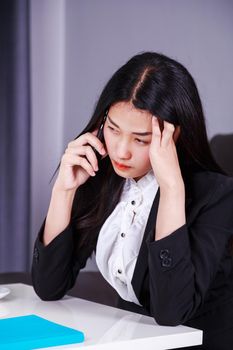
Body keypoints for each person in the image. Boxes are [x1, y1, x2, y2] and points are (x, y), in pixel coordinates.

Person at [32, 52, 233, 349]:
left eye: (140, 139)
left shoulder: (216, 194)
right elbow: (49, 287)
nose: (121, 151)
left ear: (173, 136)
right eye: (113, 129)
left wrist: (172, 191)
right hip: (128, 339)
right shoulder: (103, 173)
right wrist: (63, 190)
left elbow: (170, 312)